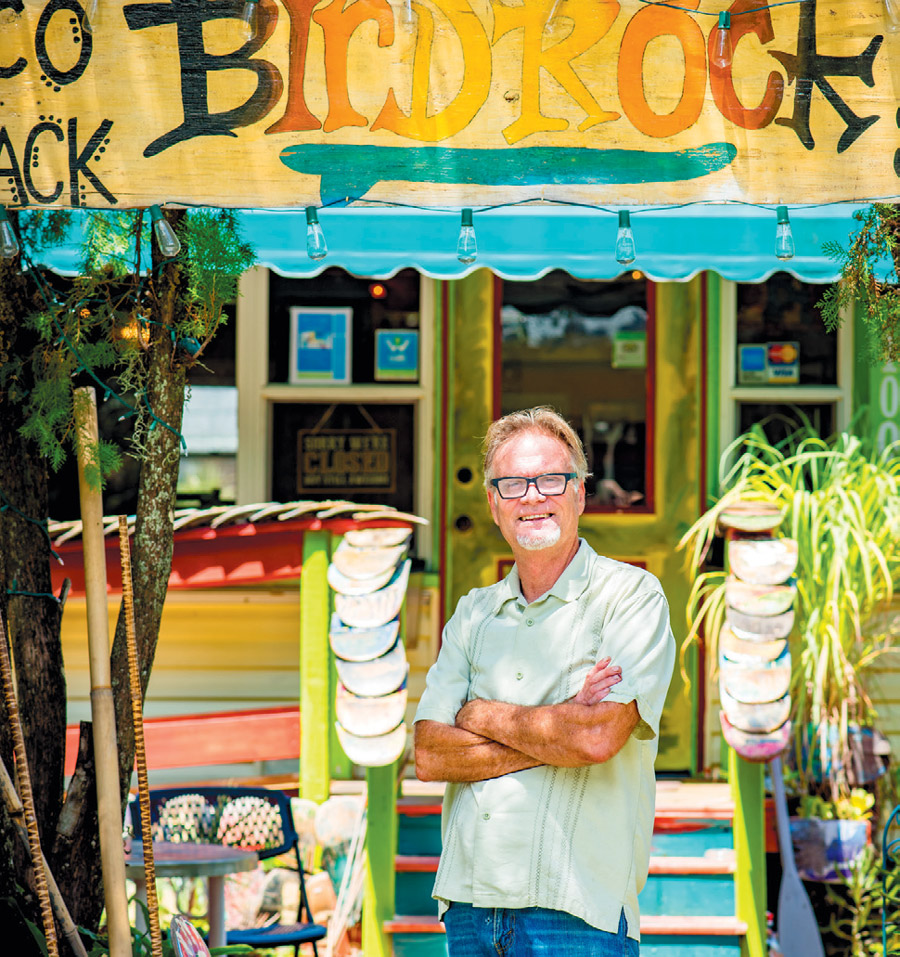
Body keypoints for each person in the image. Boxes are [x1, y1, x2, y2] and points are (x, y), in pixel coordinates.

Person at [413, 406, 675, 956]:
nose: (532, 496)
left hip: (578, 911)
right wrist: (559, 724)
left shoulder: (631, 597)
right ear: (493, 505)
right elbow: (431, 755)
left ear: (579, 492)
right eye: (512, 484)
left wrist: (481, 715)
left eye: (551, 480)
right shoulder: (472, 613)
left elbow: (596, 738)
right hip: (470, 905)